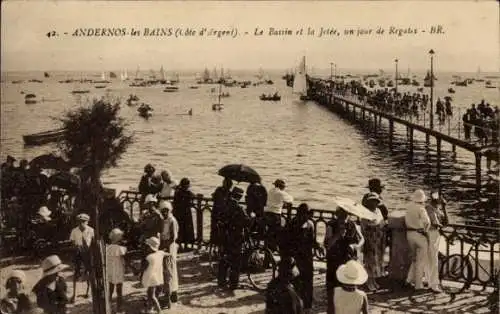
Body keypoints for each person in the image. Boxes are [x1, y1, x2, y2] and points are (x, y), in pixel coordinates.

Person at [324, 207, 362, 311]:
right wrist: (337, 235)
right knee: (333, 287)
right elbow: (327, 244)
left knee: (346, 285)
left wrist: (355, 246)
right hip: (334, 260)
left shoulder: (352, 224)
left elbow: (361, 239)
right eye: (341, 214)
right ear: (337, 214)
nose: (343, 216)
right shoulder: (331, 225)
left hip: (347, 259)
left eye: (345, 214)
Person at [286, 203, 321, 314]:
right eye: (307, 214)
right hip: (296, 258)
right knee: (296, 282)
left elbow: (312, 240)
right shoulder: (292, 224)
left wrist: (318, 246)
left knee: (308, 281)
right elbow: (286, 242)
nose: (308, 217)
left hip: (307, 257)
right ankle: (296, 306)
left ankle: (308, 305)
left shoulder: (310, 224)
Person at [217, 187, 250, 290]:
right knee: (236, 261)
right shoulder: (239, 208)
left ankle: (221, 281)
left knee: (224, 259)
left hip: (224, 236)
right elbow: (246, 222)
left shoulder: (224, 204)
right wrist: (252, 217)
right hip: (235, 238)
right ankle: (233, 284)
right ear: (239, 197)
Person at [405, 189, 431, 291]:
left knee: (414, 259)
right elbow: (427, 222)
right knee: (421, 260)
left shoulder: (409, 207)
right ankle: (418, 284)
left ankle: (408, 280)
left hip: (409, 234)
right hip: (419, 234)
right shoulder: (421, 209)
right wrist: (425, 231)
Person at [360, 192, 386, 291]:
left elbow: (381, 222)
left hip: (379, 238)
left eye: (375, 201)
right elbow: (364, 227)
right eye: (371, 201)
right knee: (369, 261)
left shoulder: (378, 211)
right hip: (370, 239)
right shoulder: (364, 213)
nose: (374, 203)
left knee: (377, 260)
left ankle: (374, 279)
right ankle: (369, 281)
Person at [69, 213, 94, 303]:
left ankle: (89, 292)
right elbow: (72, 242)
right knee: (76, 273)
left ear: (87, 222)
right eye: (79, 222)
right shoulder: (74, 231)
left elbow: (94, 243)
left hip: (88, 253)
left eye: (83, 221)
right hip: (78, 253)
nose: (81, 223)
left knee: (89, 272)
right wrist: (76, 247)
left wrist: (89, 250)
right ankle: (74, 294)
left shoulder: (91, 230)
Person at [425, 191, 447, 293]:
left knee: (432, 258)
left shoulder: (438, 209)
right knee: (433, 259)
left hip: (435, 235)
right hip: (431, 234)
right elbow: (435, 223)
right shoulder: (429, 208)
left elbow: (446, 222)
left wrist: (444, 208)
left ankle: (430, 281)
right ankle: (433, 284)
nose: (442, 199)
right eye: (440, 198)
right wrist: (440, 225)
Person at [159, 200, 179, 305]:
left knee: (170, 269)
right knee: (166, 270)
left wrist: (165, 247)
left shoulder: (172, 221)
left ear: (169, 210)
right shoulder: (163, 220)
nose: (164, 213)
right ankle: (170, 293)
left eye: (166, 211)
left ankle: (173, 293)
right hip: (164, 246)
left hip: (169, 247)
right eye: (163, 211)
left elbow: (173, 237)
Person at [264, 179, 293, 251]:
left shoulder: (270, 191)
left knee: (270, 232)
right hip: (275, 215)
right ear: (281, 186)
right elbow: (291, 199)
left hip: (267, 214)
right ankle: (273, 248)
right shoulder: (280, 193)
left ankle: (268, 248)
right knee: (276, 233)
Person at [140, 237, 168, 314]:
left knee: (151, 296)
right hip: (158, 277)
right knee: (150, 294)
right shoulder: (160, 253)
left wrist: (137, 271)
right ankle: (149, 309)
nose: (146, 248)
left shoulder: (149, 257)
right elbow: (166, 253)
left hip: (151, 278)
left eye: (147, 246)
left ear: (150, 247)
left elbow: (143, 268)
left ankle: (159, 311)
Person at [106, 228, 127, 314]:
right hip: (118, 270)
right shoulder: (121, 249)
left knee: (110, 289)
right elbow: (124, 259)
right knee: (119, 291)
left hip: (110, 270)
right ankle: (119, 308)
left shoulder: (107, 248)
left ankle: (108, 306)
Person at [172, 178, 195, 251]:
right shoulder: (186, 193)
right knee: (186, 229)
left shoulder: (177, 192)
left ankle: (180, 245)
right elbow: (193, 196)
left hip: (178, 213)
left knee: (180, 229)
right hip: (185, 213)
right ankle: (185, 245)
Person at [211, 178, 232, 246]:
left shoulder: (219, 190)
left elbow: (213, 197)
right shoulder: (229, 192)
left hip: (217, 213)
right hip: (222, 213)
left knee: (216, 230)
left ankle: (216, 244)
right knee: (221, 231)